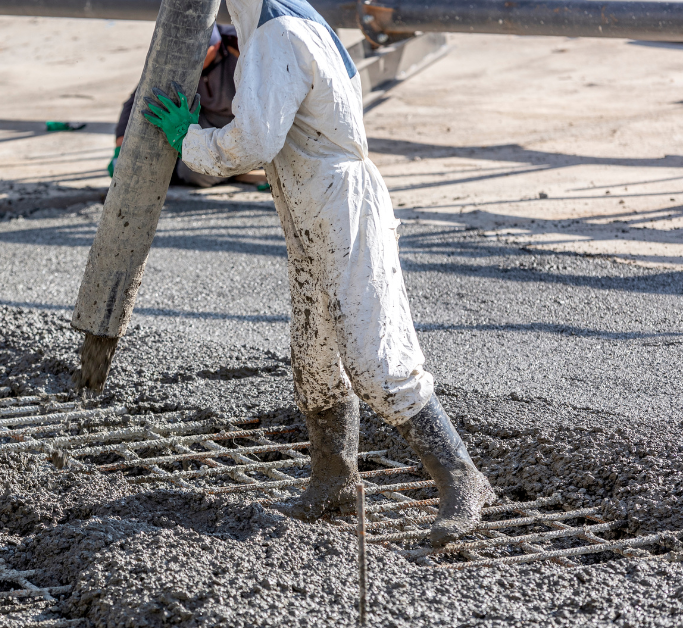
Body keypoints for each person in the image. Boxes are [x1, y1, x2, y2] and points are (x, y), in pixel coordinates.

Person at [143, 0, 495, 546]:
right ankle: (332, 478)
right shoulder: (281, 21)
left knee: (374, 357)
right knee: (316, 355)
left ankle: (462, 478)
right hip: (315, 207)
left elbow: (255, 143)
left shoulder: (277, 35)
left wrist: (191, 139)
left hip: (342, 209)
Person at [112, 25, 265, 187]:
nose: (194, 60)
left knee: (197, 174)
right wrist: (121, 146)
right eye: (189, 54)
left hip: (245, 122)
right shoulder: (180, 60)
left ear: (217, 45)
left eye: (201, 53)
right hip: (203, 118)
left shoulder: (241, 47)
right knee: (164, 139)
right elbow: (142, 96)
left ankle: (237, 166)